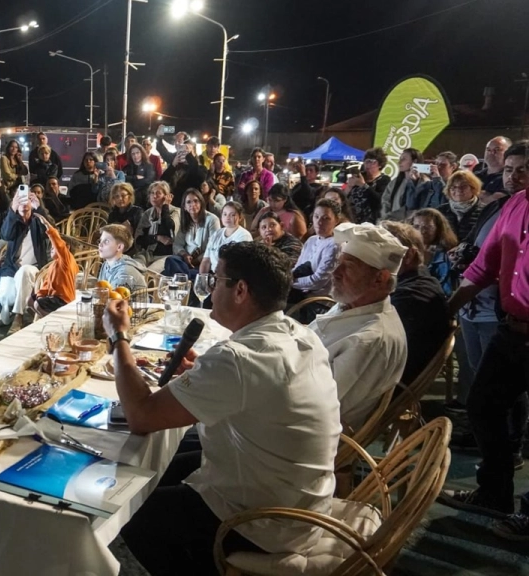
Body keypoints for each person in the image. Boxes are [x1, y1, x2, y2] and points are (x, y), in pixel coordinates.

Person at [104, 242, 341, 575]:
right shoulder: (299, 334)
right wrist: (202, 374)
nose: (211, 289)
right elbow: (256, 390)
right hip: (302, 497)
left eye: (216, 280)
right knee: (161, 466)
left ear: (240, 290)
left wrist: (118, 336)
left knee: (133, 513)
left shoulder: (238, 358)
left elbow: (140, 416)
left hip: (265, 521)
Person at [438, 140, 529, 537]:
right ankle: (494, 493)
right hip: (512, 328)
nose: (514, 176)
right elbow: (484, 265)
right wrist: (446, 310)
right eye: (509, 169)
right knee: (483, 405)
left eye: (523, 169)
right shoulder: (511, 206)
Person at [308, 222, 408, 430]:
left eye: (349, 267)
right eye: (339, 263)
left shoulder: (371, 338)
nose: (335, 272)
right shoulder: (352, 303)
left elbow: (315, 401)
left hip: (316, 432)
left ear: (379, 279)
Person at [381, 221, 450, 386]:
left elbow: (379, 347)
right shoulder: (414, 281)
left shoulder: (413, 295)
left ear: (409, 255)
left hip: (390, 386)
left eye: (383, 251)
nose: (375, 258)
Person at [0, 191, 51, 329]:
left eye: (26, 200)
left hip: (34, 267)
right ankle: (6, 310)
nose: (23, 204)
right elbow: (5, 235)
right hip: (13, 267)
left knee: (24, 271)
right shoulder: (14, 221)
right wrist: (12, 210)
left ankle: (18, 316)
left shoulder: (37, 220)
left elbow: (50, 230)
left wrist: (39, 208)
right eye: (19, 201)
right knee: (5, 293)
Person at [287, 199, 342, 316]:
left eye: (326, 218)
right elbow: (297, 268)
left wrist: (290, 282)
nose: (319, 222)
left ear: (336, 220)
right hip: (299, 293)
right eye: (316, 217)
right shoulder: (311, 240)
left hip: (319, 301)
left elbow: (318, 281)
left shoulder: (335, 245)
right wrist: (287, 279)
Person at [163, 189, 220, 280]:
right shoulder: (186, 220)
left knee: (169, 271)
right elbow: (177, 244)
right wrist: (185, 255)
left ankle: (184, 278)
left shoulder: (212, 220)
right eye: (188, 202)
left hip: (204, 264)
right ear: (184, 207)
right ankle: (185, 277)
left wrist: (195, 261)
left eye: (196, 201)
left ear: (201, 203)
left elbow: (213, 248)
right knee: (170, 260)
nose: (192, 204)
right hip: (185, 262)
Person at [31, 213, 79, 318]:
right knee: (30, 300)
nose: (52, 248)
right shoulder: (53, 264)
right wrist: (40, 295)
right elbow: (47, 284)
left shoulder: (67, 259)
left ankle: (54, 321)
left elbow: (58, 244)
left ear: (67, 247)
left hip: (64, 300)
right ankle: (46, 318)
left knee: (37, 304)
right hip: (53, 297)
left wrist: (47, 226)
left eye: (54, 247)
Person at [134, 181, 182, 270]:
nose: (154, 196)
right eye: (152, 193)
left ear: (167, 196)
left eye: (158, 193)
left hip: (166, 256)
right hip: (147, 254)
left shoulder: (175, 212)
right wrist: (157, 238)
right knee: (133, 268)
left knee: (150, 272)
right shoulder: (148, 214)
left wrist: (165, 207)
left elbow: (169, 227)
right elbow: (139, 239)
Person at [198, 201, 253, 279]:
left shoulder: (244, 236)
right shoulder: (217, 234)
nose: (227, 217)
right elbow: (206, 261)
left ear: (240, 217)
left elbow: (239, 265)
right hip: (213, 276)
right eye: (225, 214)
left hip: (231, 278)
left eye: (232, 215)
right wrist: (202, 279)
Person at [412, 208, 459, 295]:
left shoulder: (448, 255)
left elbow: (446, 289)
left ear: (439, 229)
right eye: (416, 226)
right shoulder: (408, 251)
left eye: (428, 227)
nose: (421, 231)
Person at [437, 169, 483, 242]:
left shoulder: (484, 211)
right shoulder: (440, 211)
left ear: (473, 188)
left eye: (463, 186)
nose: (458, 190)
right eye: (453, 187)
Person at [348, 147, 391, 224]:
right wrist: (349, 186)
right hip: (352, 219)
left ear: (380, 165)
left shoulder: (384, 180)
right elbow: (345, 197)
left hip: (371, 221)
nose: (368, 164)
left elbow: (380, 200)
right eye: (366, 161)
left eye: (372, 162)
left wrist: (364, 185)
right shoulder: (359, 176)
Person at [380, 147, 421, 220]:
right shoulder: (395, 182)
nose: (399, 162)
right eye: (400, 158)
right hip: (391, 220)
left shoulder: (423, 182)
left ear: (414, 161)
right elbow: (385, 200)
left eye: (404, 159)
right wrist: (385, 216)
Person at [107, 183, 143, 256]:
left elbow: (141, 236)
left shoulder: (137, 212)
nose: (120, 199)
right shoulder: (112, 214)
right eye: (117, 196)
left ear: (130, 196)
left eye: (123, 195)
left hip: (134, 249)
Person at [475, 136, 511, 201]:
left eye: (497, 149)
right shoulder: (475, 176)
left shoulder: (510, 178)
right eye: (488, 150)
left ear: (508, 153)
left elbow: (499, 200)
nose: (491, 153)